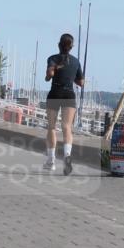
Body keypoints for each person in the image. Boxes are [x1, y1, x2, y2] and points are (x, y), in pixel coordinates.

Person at [44, 33, 84, 175]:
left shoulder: (53, 58)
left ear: (59, 45)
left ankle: (51, 161)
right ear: (71, 47)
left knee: (52, 127)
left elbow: (49, 76)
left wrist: (51, 72)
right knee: (67, 127)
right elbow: (81, 82)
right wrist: (70, 76)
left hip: (55, 93)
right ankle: (67, 156)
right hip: (69, 94)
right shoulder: (76, 62)